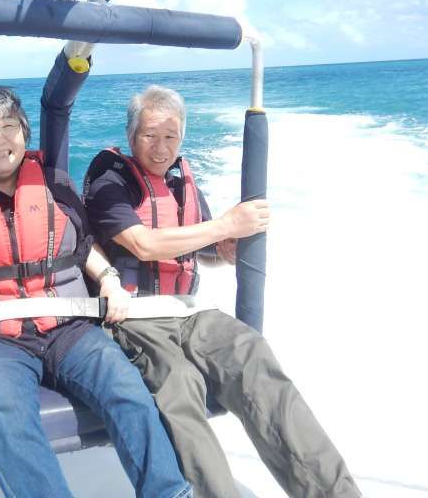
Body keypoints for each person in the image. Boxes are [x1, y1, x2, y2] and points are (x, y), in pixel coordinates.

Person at [0, 54, 191, 498]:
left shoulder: (54, 186)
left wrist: (106, 279)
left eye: (8, 126)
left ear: (24, 134)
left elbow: (83, 248)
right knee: (7, 415)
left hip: (68, 329)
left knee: (128, 390)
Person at [83, 85, 362, 498]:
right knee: (178, 384)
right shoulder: (108, 177)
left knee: (254, 357)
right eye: (150, 136)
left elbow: (204, 246)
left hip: (190, 311)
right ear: (130, 136)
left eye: (171, 137)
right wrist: (228, 226)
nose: (161, 148)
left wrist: (226, 248)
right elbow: (143, 244)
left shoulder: (181, 179)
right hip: (134, 316)